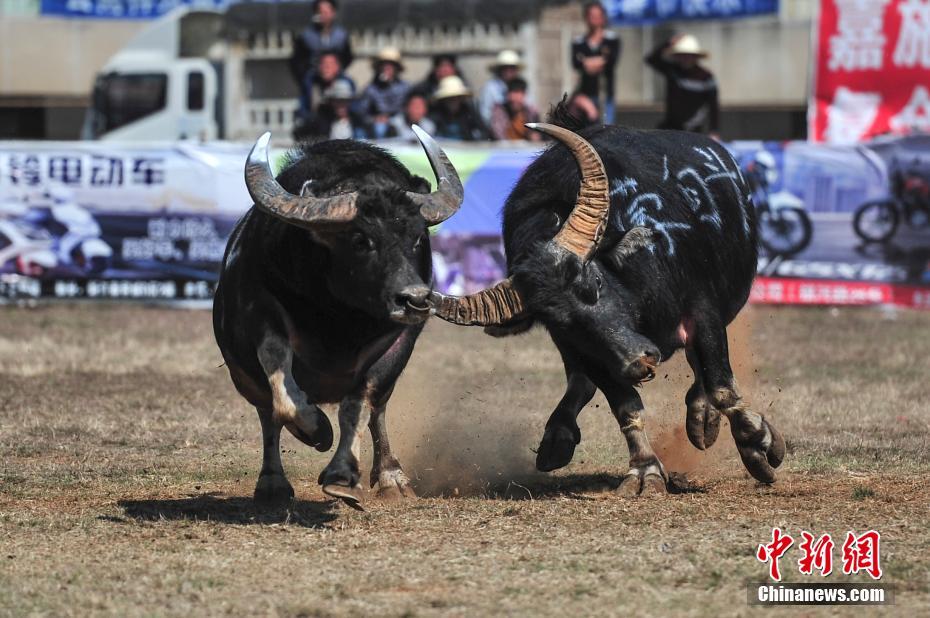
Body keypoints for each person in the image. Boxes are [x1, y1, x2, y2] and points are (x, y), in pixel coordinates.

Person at [289, 0, 353, 121]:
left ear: (333, 13)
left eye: (327, 11)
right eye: (320, 11)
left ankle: (349, 117)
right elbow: (296, 61)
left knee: (349, 85)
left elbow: (348, 56)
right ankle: (307, 118)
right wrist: (306, 73)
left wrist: (336, 68)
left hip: (337, 74)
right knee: (307, 89)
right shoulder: (306, 36)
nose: (324, 15)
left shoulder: (341, 35)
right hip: (314, 75)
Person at [645, 33, 720, 136]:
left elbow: (713, 105)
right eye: (682, 54)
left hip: (694, 129)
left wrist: (714, 131)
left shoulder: (706, 77)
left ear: (696, 56)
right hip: (670, 127)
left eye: (689, 55)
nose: (686, 58)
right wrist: (668, 42)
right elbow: (651, 59)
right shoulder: (672, 71)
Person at [571, 1, 621, 124]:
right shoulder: (579, 42)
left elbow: (610, 61)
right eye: (592, 16)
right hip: (587, 94)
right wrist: (598, 61)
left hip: (605, 94)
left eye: (598, 16)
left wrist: (587, 62)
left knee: (606, 129)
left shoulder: (612, 40)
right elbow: (576, 63)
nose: (595, 19)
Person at [355, 47, 410, 139]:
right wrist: (375, 118)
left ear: (396, 68)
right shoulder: (370, 89)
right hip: (378, 124)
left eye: (391, 64)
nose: (386, 67)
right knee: (379, 128)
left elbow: (409, 108)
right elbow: (362, 112)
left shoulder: (406, 87)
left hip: (401, 122)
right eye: (383, 64)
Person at [428, 76, 488, 141]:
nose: (454, 101)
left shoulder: (469, 114)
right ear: (444, 100)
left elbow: (483, 133)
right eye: (450, 99)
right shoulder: (435, 116)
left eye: (457, 98)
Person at [478, 50, 524, 126]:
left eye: (512, 67)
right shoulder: (490, 87)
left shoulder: (522, 87)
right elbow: (485, 114)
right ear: (499, 69)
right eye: (505, 68)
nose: (508, 71)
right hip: (496, 129)